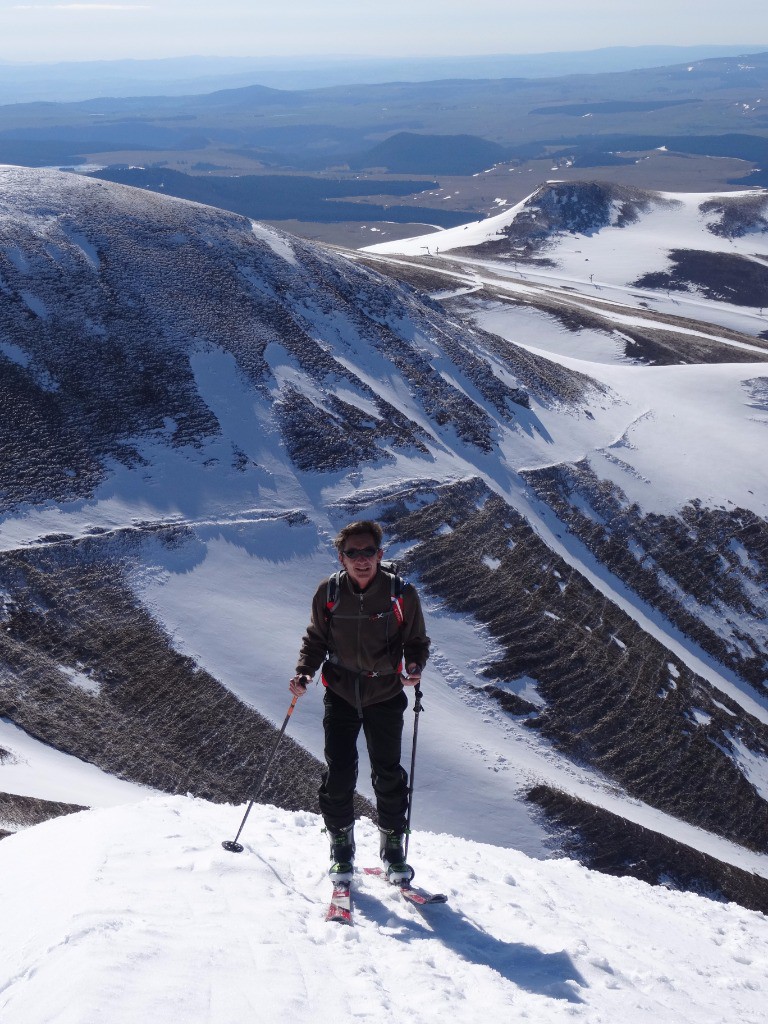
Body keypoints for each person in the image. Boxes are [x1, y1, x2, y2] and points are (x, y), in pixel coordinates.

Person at [290, 520, 430, 882]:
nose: (361, 559)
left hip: (385, 693)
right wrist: (304, 671)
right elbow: (316, 639)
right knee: (339, 772)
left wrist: (414, 666)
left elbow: (416, 641)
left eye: (368, 551)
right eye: (353, 553)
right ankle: (341, 847)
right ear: (342, 558)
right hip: (340, 693)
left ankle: (393, 849)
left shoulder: (401, 594)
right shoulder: (329, 592)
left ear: (380, 554)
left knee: (388, 773)